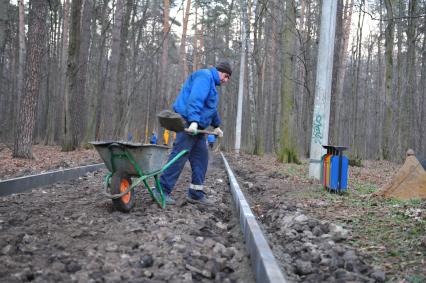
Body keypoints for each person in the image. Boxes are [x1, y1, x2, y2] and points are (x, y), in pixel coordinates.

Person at [154, 60, 232, 205]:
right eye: (225, 76)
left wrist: (216, 125)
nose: (226, 80)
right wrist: (194, 120)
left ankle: (195, 193)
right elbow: (196, 99)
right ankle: (161, 190)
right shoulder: (205, 76)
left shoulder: (212, 85)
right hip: (189, 124)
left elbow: (210, 108)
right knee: (179, 157)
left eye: (228, 78)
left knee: (201, 159)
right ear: (219, 71)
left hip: (197, 128)